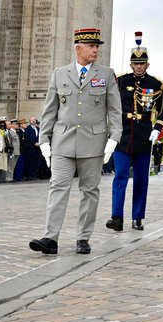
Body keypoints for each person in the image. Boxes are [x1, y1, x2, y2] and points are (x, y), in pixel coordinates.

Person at [29, 27, 122, 256]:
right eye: (91, 46)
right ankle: (50, 238)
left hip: (93, 143)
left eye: (97, 46)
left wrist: (113, 139)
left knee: (89, 191)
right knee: (57, 187)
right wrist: (44, 141)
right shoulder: (59, 74)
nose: (95, 50)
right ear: (78, 48)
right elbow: (50, 110)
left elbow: (115, 111)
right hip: (63, 141)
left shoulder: (106, 74)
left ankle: (83, 237)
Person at [109, 42, 163, 232]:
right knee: (120, 176)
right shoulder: (121, 81)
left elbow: (162, 113)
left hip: (143, 135)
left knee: (142, 179)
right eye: (136, 63)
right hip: (123, 135)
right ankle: (116, 217)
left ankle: (137, 217)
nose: (139, 67)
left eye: (142, 63)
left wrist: (156, 130)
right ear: (131, 64)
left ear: (147, 65)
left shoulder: (155, 85)